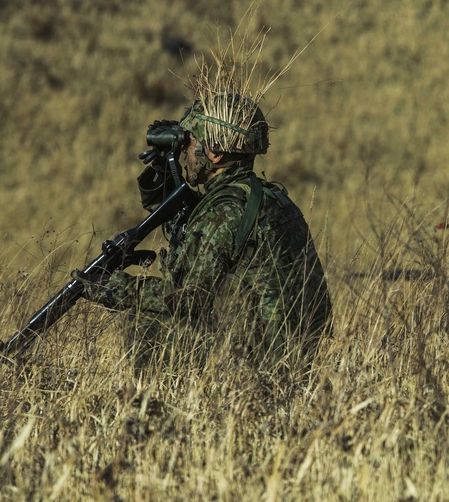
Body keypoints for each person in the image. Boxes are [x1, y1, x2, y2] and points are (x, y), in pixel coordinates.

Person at [77, 92, 332, 370]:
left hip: (259, 362)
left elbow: (188, 298)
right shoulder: (263, 198)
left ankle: (159, 408)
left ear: (214, 153)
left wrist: (115, 288)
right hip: (294, 349)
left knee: (145, 326)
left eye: (189, 143)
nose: (185, 153)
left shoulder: (225, 212)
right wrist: (165, 173)